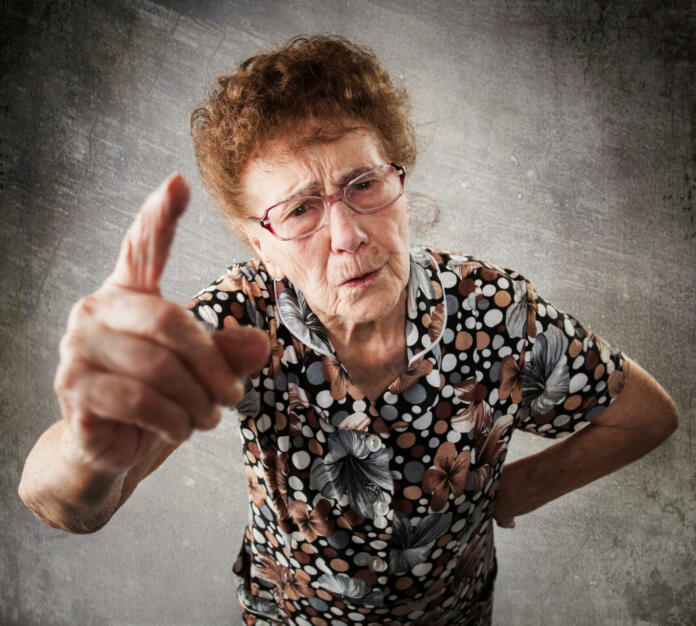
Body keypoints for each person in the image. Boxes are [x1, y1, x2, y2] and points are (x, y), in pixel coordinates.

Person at [18, 35, 678, 625]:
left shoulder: (496, 310)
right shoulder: (239, 323)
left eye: (363, 184)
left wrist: (518, 490)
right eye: (300, 209)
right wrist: (88, 439)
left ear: (399, 177)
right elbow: (70, 507)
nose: (348, 234)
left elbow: (647, 415)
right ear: (259, 241)